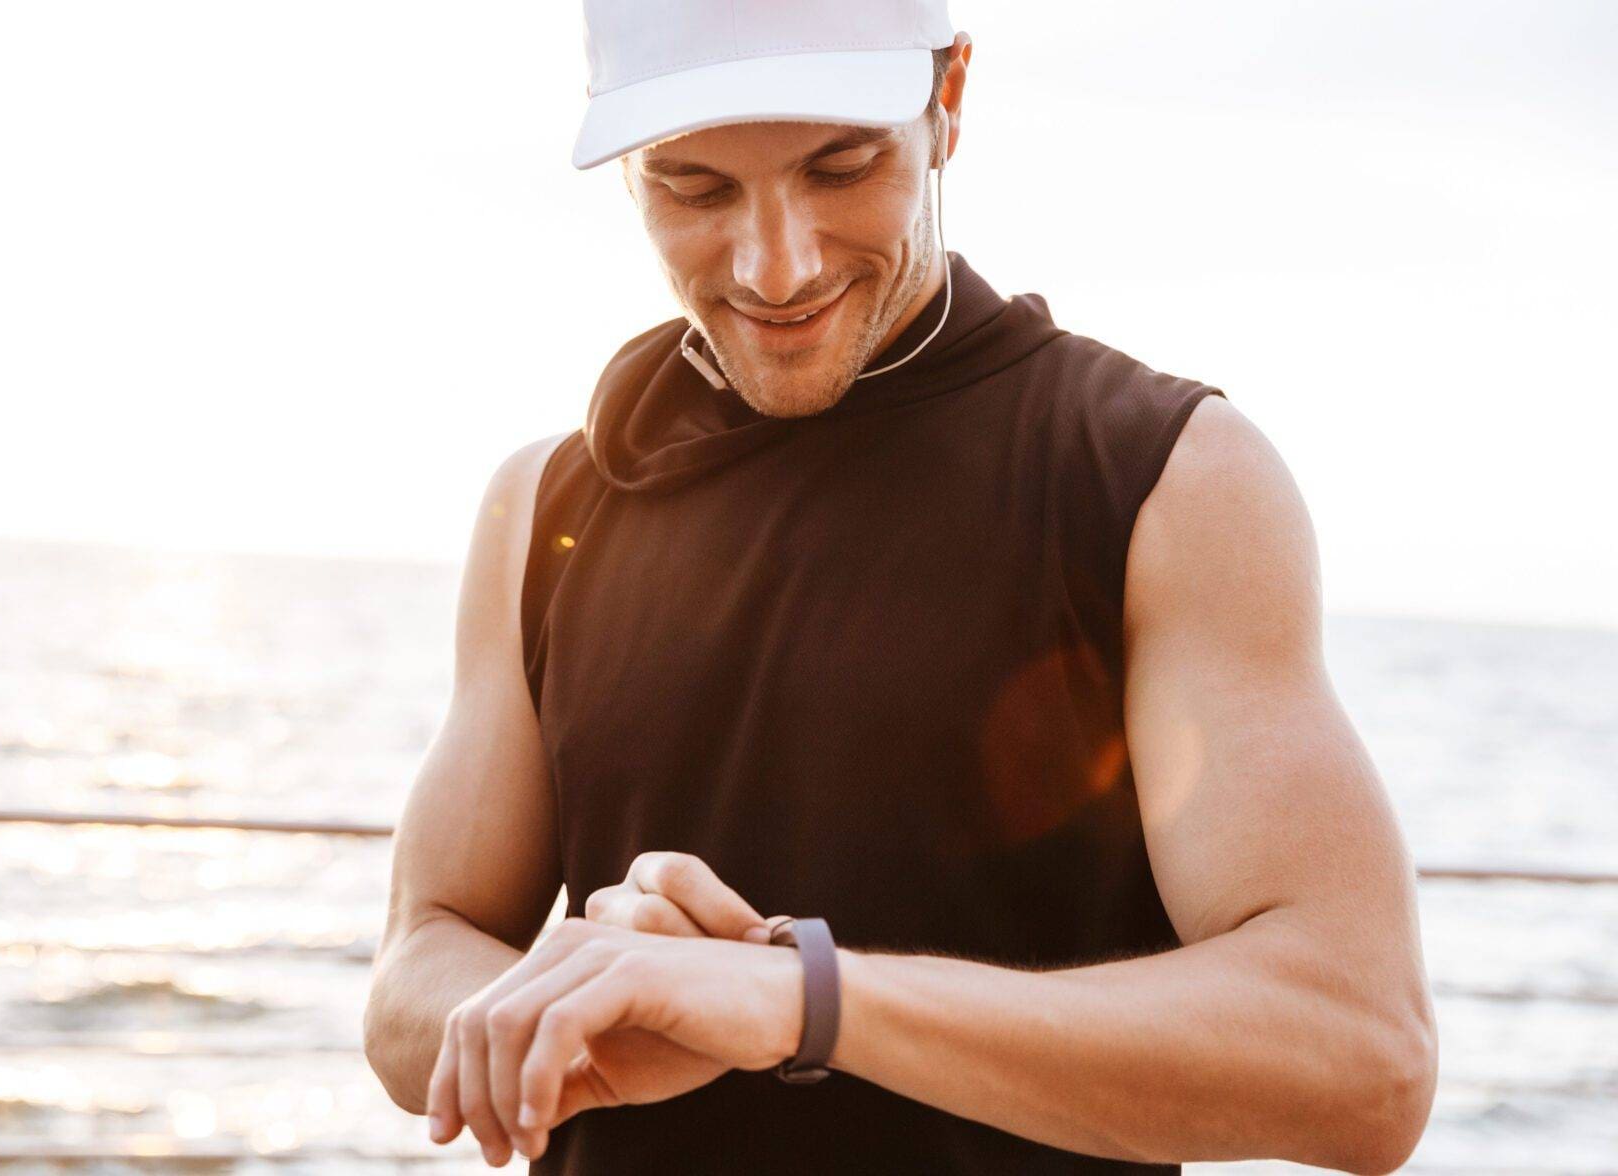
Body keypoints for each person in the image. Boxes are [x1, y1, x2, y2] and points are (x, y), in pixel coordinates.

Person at [363, 2, 1437, 1172]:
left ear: (949, 102)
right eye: (695, 188)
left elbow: (1360, 1060)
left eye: (842, 165)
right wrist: (573, 1016)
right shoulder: (546, 507)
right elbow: (413, 984)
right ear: (624, 166)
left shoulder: (1164, 476)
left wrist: (800, 1001)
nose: (779, 265)